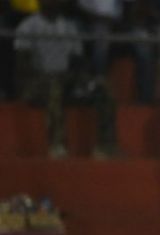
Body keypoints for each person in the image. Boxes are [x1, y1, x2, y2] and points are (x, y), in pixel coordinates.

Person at [14, 0, 117, 159]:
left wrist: (79, 77)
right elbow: (22, 65)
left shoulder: (69, 27)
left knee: (101, 87)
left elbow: (77, 60)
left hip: (66, 81)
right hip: (36, 85)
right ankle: (57, 146)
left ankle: (105, 146)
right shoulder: (27, 26)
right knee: (54, 85)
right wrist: (47, 76)